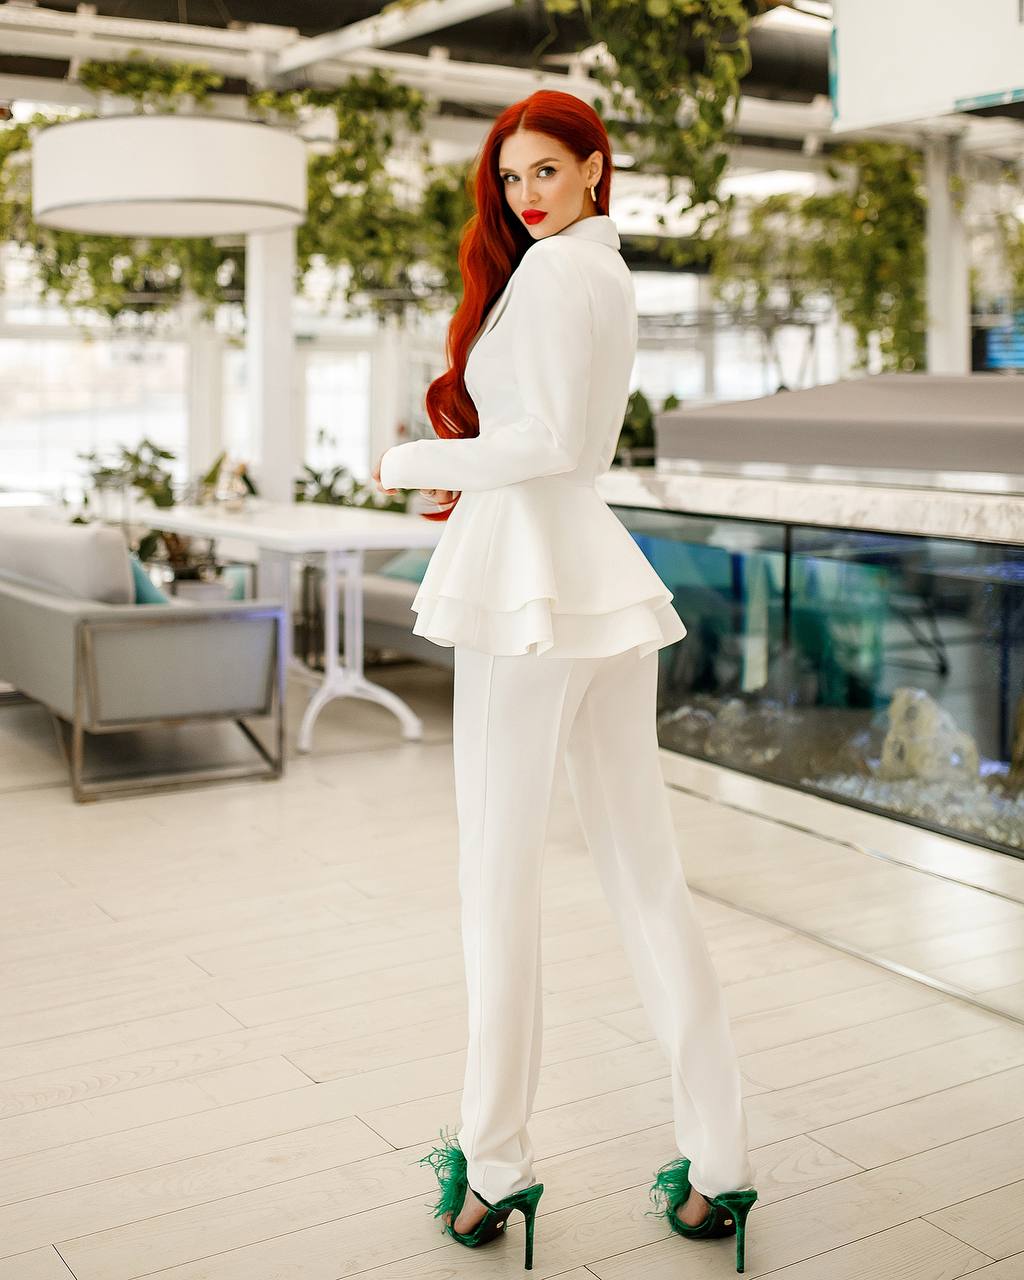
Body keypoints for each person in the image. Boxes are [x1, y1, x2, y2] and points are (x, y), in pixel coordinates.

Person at [371, 88, 758, 1274]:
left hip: (526, 588)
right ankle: (722, 1163)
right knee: (646, 876)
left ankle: (491, 1170)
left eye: (545, 169)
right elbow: (573, 441)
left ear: (596, 167)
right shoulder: (607, 272)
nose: (524, 193)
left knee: (496, 877)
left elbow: (539, 441)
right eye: (510, 177)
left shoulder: (552, 277)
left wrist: (405, 458)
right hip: (589, 584)